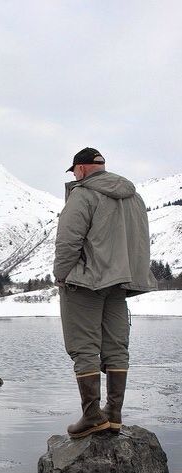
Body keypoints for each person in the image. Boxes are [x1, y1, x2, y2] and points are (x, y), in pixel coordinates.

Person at [54, 147, 157, 439]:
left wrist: (61, 275)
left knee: (83, 347)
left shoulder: (83, 194)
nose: (74, 175)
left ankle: (91, 416)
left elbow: (67, 241)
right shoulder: (133, 197)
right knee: (116, 347)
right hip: (120, 281)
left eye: (74, 170)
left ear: (82, 169)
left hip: (85, 282)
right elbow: (139, 242)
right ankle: (113, 415)